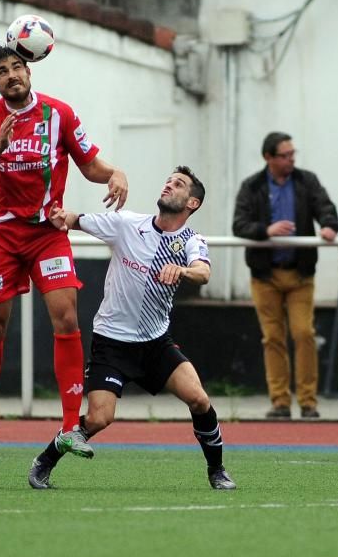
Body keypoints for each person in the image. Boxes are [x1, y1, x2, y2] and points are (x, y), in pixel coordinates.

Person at [0, 44, 128, 465]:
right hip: (1, 233)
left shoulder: (59, 114)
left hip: (48, 232)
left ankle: (71, 426)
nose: (12, 74)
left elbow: (91, 165)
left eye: (18, 66)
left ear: (29, 71)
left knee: (67, 316)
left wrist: (116, 173)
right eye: (2, 71)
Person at [27, 166, 236, 491]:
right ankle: (44, 461)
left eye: (178, 184)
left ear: (192, 203)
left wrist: (181, 270)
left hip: (156, 344)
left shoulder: (191, 240)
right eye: (168, 180)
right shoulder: (126, 224)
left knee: (198, 399)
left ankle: (217, 471)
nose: (169, 185)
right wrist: (58, 216)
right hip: (112, 344)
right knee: (99, 419)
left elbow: (202, 273)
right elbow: (74, 219)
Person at [232, 132, 338, 420]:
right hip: (265, 275)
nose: (291, 159)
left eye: (293, 154)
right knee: (273, 337)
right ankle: (280, 402)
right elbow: (239, 224)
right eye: (285, 155)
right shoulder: (252, 186)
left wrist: (329, 226)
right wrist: (265, 231)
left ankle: (308, 402)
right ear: (268, 157)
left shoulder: (307, 181)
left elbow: (325, 208)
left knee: (304, 334)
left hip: (300, 273)